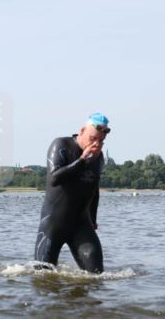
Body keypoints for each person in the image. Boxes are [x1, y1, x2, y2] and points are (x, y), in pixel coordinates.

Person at [33, 113, 110, 272]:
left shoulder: (99, 157)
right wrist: (82, 160)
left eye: (100, 141)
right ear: (82, 131)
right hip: (54, 225)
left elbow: (94, 190)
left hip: (81, 225)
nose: (96, 144)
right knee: (42, 276)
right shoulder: (61, 145)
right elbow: (55, 178)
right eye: (92, 138)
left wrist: (93, 219)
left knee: (97, 275)